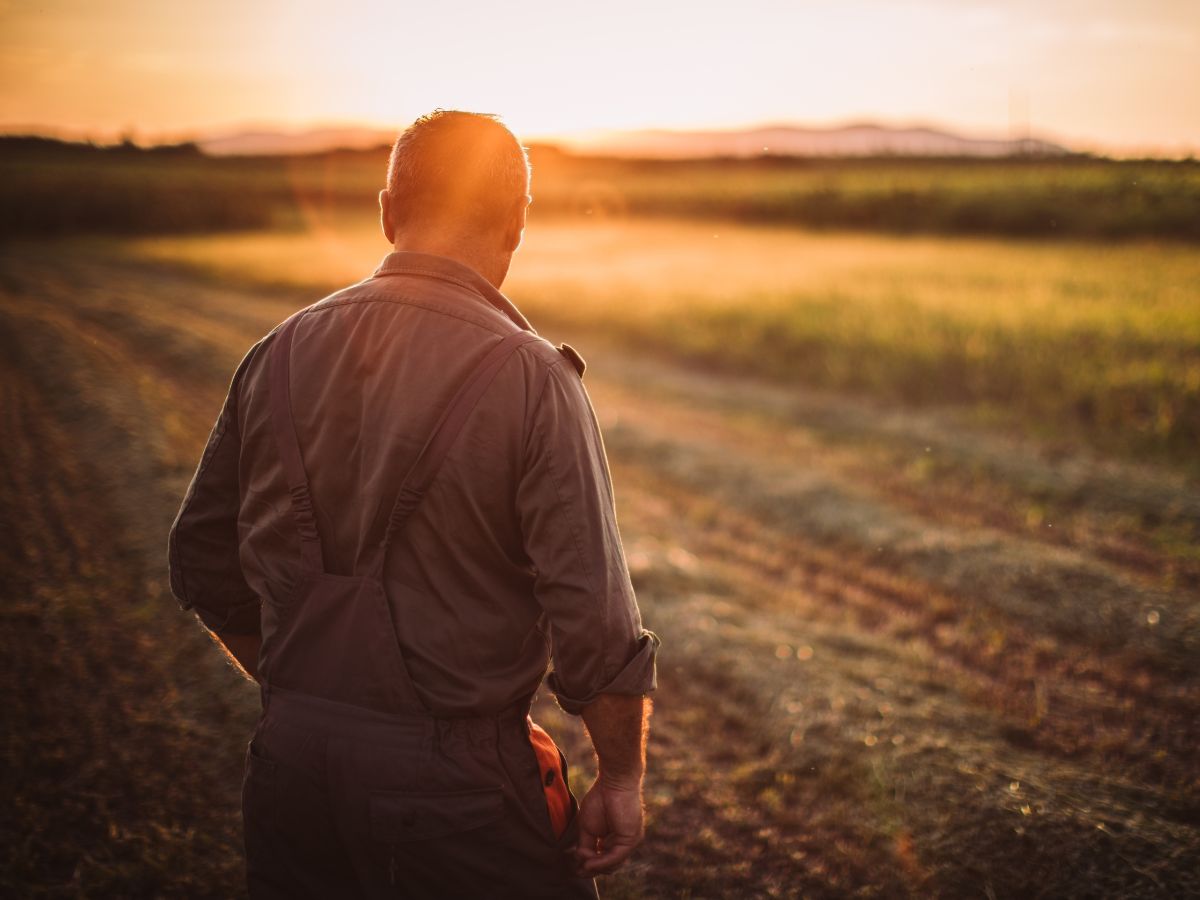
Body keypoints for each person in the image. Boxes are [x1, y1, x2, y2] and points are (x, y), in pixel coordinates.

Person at [168, 110, 659, 898]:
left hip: (289, 766)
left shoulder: (277, 351)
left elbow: (199, 558)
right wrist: (623, 780)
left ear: (387, 213)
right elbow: (594, 621)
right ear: (517, 227)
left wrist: (315, 697)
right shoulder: (534, 378)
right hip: (459, 798)